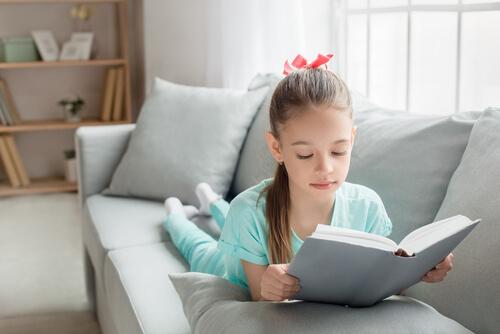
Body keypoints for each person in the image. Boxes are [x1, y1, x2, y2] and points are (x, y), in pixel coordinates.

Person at [163, 54, 454, 302]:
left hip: (251, 220)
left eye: (338, 151)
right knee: (199, 246)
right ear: (277, 147)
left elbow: (375, 283)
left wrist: (419, 270)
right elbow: (259, 300)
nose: (325, 168)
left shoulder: (367, 208)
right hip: (227, 260)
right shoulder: (248, 211)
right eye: (305, 155)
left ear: (351, 139)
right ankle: (175, 212)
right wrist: (268, 286)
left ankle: (212, 199)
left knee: (233, 215)